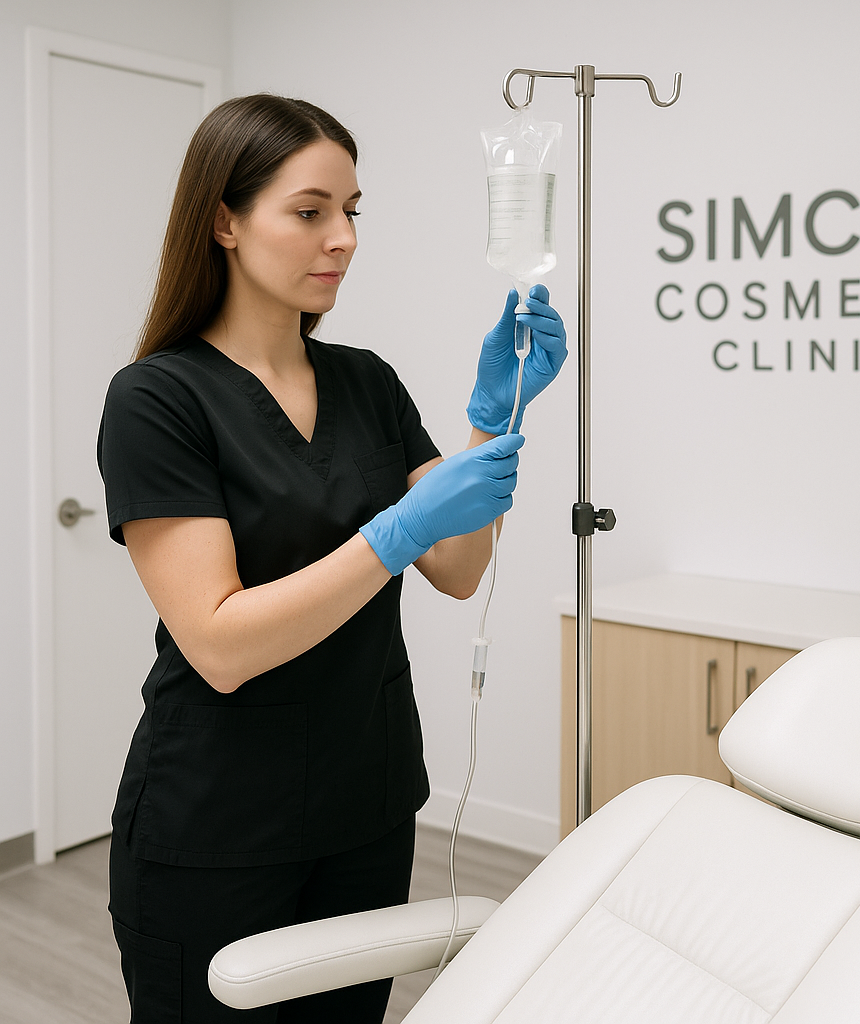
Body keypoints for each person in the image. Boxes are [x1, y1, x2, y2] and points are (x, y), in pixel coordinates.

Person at [97, 93, 566, 1023]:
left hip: (367, 805)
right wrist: (391, 533)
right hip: (217, 823)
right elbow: (222, 647)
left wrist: (495, 418)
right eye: (311, 211)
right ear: (224, 221)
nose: (343, 237)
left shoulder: (367, 382)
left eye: (352, 211)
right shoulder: (158, 399)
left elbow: (460, 567)